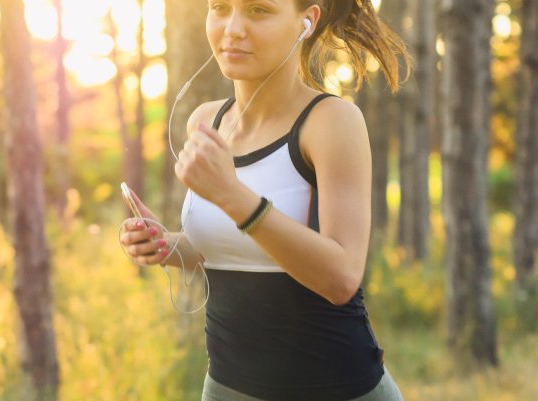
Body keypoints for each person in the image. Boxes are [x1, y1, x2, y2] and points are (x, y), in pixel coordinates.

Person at [119, 0, 410, 400]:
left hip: (338, 389)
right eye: (220, 7)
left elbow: (341, 277)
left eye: (258, 10)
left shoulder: (331, 122)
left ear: (306, 21)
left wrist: (233, 196)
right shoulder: (206, 121)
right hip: (227, 388)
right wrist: (167, 245)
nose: (233, 28)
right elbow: (225, 248)